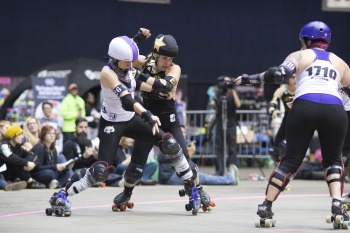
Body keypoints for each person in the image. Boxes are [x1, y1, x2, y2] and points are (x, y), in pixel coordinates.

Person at [49, 33, 200, 215]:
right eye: (127, 62)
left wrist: (162, 87)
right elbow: (127, 99)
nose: (131, 66)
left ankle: (193, 190)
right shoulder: (107, 73)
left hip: (130, 119)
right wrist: (147, 114)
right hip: (112, 123)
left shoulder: (126, 66)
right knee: (101, 171)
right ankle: (62, 194)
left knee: (170, 144)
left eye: (131, 62)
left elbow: (145, 79)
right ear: (116, 59)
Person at [234, 21, 350, 224]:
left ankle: (266, 206)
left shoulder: (300, 55)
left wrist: (249, 79)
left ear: (305, 40)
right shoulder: (340, 63)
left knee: (290, 161)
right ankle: (337, 204)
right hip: (335, 110)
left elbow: (277, 74)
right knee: (333, 160)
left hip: (304, 106)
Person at [133, 31, 213, 208]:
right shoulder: (145, 62)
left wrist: (138, 77)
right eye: (164, 58)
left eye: (171, 59)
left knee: (186, 162)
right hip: (148, 121)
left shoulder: (174, 69)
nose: (168, 62)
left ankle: (197, 189)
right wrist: (137, 39)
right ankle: (126, 193)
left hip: (169, 122)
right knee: (135, 166)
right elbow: (122, 56)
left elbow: (167, 85)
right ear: (155, 54)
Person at [158, 125, 239, 185]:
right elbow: (181, 164)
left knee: (201, 175)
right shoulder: (169, 145)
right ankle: (230, 180)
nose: (183, 134)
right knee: (202, 177)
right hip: (169, 177)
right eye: (181, 132)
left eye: (184, 132)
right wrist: (190, 153)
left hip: (174, 174)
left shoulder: (178, 144)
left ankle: (228, 179)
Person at [209, 75, 241, 175]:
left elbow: (238, 105)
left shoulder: (233, 92)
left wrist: (233, 91)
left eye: (228, 82)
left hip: (231, 123)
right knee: (219, 148)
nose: (227, 84)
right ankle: (220, 171)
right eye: (225, 82)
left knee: (232, 148)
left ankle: (232, 170)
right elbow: (216, 107)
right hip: (220, 122)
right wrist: (214, 105)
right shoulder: (219, 93)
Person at [267, 75, 296, 163]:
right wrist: (272, 111)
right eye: (292, 77)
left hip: (300, 119)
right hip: (287, 118)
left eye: (295, 77)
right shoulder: (282, 89)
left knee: (291, 146)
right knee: (275, 149)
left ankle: (295, 166)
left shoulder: (301, 88)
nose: (294, 79)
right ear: (287, 79)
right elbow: (273, 102)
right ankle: (280, 167)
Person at [0, 120, 27, 191]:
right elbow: (9, 156)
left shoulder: (13, 144)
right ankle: (6, 185)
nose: (9, 130)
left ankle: (9, 184)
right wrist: (26, 163)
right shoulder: (4, 143)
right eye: (7, 128)